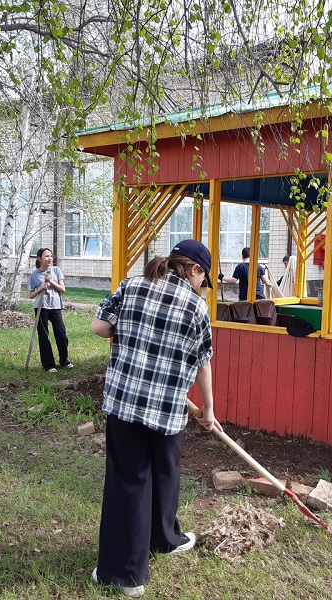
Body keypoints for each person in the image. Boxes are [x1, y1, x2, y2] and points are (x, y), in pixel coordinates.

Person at [90, 239, 220, 599]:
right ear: (194, 270)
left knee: (131, 478)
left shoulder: (131, 285)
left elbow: (98, 328)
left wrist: (130, 333)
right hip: (168, 409)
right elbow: (202, 362)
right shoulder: (196, 306)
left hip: (126, 403)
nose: (201, 286)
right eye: (203, 278)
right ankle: (135, 567)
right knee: (165, 471)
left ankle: (140, 557)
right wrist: (208, 410)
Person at [28, 248, 72, 373]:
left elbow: (62, 289)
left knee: (61, 334)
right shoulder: (34, 275)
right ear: (39, 258)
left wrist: (50, 281)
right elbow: (31, 295)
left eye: (51, 256)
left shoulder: (56, 270)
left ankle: (64, 360)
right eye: (46, 256)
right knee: (44, 336)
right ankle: (49, 365)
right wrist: (40, 288)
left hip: (55, 306)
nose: (50, 258)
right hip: (41, 307)